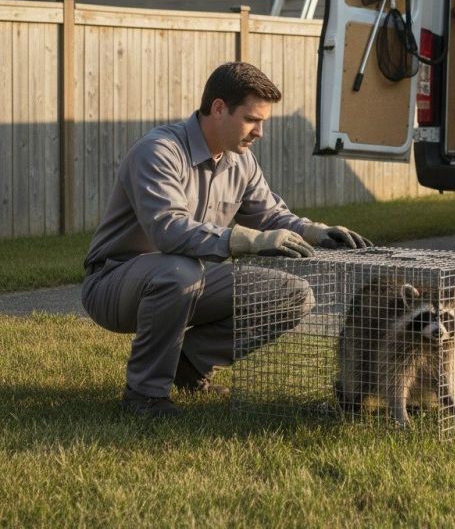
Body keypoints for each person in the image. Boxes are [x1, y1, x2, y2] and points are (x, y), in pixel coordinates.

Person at [81, 61, 370, 418]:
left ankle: (191, 363)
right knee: (179, 271)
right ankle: (144, 395)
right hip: (114, 282)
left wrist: (316, 231)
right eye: (252, 119)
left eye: (262, 121)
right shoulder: (158, 151)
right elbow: (168, 229)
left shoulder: (240, 161)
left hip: (190, 278)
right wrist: (249, 240)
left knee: (294, 294)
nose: (259, 132)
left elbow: (271, 215)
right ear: (219, 108)